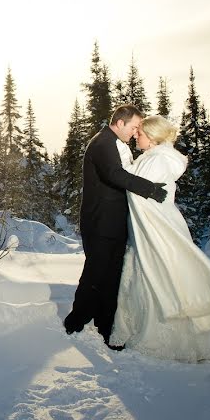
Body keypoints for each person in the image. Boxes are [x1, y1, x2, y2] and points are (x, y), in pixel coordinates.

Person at [110, 115, 210, 362]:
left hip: (157, 229)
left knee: (157, 275)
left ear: (153, 136)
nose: (136, 135)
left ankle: (161, 341)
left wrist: (121, 155)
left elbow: (134, 187)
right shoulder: (155, 157)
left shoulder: (158, 159)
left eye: (141, 133)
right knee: (150, 275)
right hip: (149, 229)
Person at [64, 105, 168, 348]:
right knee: (96, 273)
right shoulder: (102, 143)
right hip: (100, 222)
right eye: (133, 127)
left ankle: (106, 326)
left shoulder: (116, 143)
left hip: (115, 222)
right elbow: (113, 174)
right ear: (120, 123)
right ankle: (75, 322)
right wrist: (150, 189)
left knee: (112, 277)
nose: (135, 133)